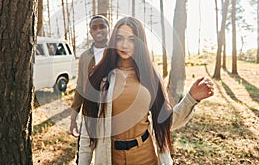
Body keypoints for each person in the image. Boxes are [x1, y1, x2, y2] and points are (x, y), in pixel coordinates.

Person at [78, 16, 214, 165]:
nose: (124, 44)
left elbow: (165, 122)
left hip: (146, 156)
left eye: (131, 39)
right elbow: (87, 130)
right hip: (111, 158)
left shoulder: (150, 76)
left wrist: (191, 98)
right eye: (119, 38)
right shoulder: (100, 78)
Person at [70, 15, 110, 135]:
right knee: (84, 149)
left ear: (108, 28)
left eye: (102, 26)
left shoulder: (116, 53)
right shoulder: (84, 57)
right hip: (89, 110)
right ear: (91, 32)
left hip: (111, 111)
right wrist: (73, 118)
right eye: (94, 27)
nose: (98, 30)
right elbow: (80, 88)